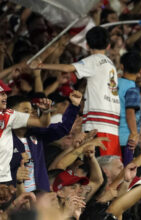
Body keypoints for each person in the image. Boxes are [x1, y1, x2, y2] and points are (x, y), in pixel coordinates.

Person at [29, 26, 121, 157]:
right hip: (111, 123)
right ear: (108, 45)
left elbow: (67, 68)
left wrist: (40, 66)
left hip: (97, 123)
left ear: (87, 45)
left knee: (97, 165)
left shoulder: (94, 60)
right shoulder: (111, 64)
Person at [9, 90, 82, 192]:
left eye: (32, 110)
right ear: (10, 114)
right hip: (12, 198)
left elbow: (62, 128)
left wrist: (74, 105)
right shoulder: (4, 138)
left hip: (40, 196)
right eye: (26, 111)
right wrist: (13, 174)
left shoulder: (37, 133)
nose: (32, 113)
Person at [0, 80, 52, 183]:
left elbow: (42, 123)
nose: (4, 97)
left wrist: (45, 111)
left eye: (4, 93)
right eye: (1, 94)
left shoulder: (9, 115)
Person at [118, 51, 141, 165]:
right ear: (140, 70)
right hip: (127, 139)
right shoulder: (132, 89)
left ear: (122, 66)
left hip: (115, 135)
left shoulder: (115, 83)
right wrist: (134, 134)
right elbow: (130, 113)